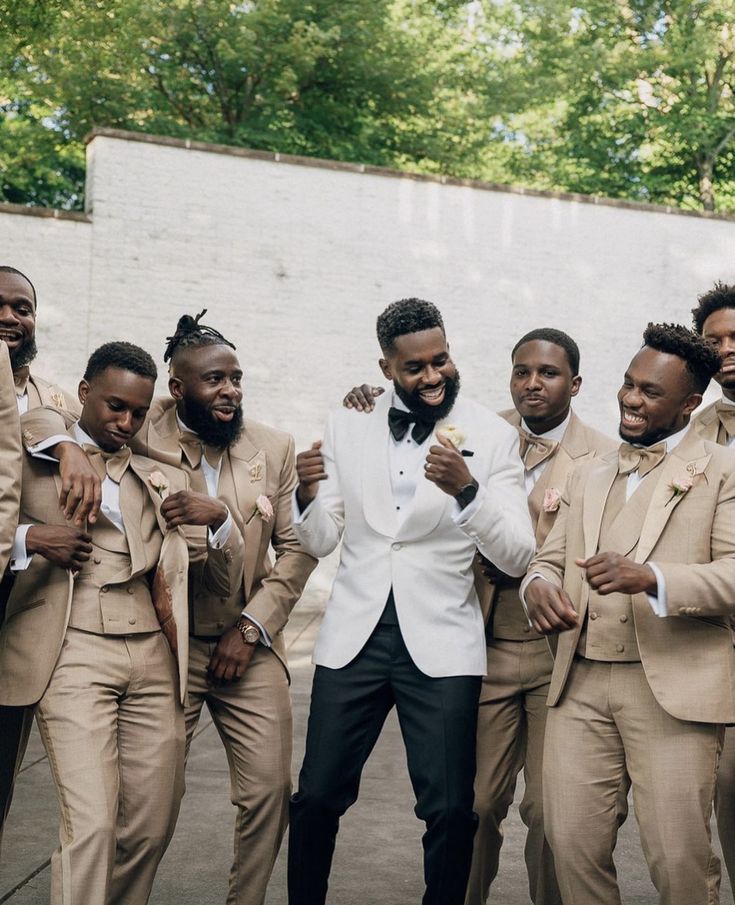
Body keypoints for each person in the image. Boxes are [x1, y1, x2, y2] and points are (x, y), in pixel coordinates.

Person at [288, 297, 535, 905]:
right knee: (316, 798)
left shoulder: (494, 434)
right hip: (353, 640)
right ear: (386, 368)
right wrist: (305, 490)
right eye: (414, 368)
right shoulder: (349, 422)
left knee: (452, 810)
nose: (432, 377)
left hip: (444, 645)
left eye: (441, 360)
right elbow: (320, 538)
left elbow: (517, 555)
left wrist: (467, 491)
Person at [2, 341, 242, 905]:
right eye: (114, 407)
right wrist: (29, 538)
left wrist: (221, 523)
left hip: (154, 656)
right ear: (83, 394)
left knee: (151, 825)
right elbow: (30, 414)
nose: (126, 422)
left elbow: (217, 584)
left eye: (138, 412)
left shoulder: (165, 477)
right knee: (91, 825)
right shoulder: (36, 446)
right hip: (71, 647)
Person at [523, 323, 734, 905]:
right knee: (571, 848)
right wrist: (537, 587)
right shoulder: (588, 473)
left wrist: (655, 578)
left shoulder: (723, 470)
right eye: (627, 384)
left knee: (678, 857)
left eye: (651, 392)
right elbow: (547, 559)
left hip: (670, 687)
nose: (631, 400)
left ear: (691, 404)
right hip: (579, 681)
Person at [691, 281, 735, 891]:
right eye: (714, 340)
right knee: (727, 789)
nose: (727, 348)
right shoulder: (691, 432)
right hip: (716, 637)